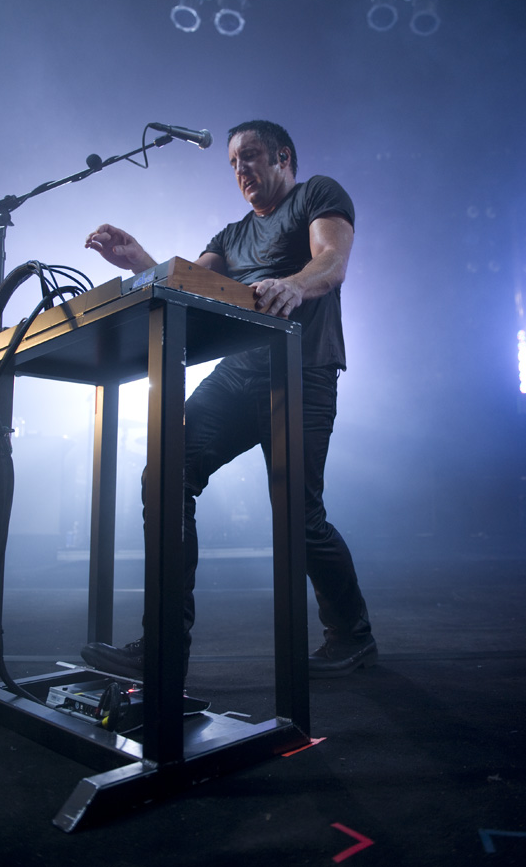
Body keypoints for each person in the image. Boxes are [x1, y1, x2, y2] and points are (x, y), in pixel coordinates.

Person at [81, 119, 376, 679]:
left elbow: (331, 261)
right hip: (238, 374)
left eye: (252, 155)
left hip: (302, 371)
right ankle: (163, 644)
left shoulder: (316, 194)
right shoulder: (231, 236)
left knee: (299, 517)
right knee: (166, 476)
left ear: (283, 157)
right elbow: (188, 286)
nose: (242, 169)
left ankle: (352, 634)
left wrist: (294, 284)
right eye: (234, 163)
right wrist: (140, 260)